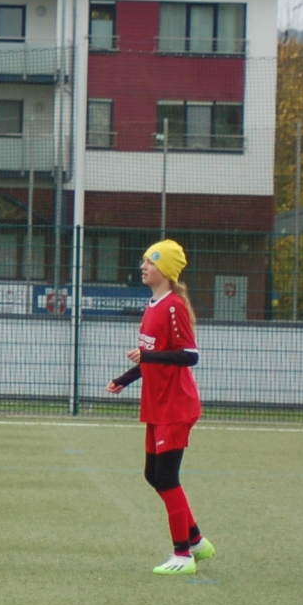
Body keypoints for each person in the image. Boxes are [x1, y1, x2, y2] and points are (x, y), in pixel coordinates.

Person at [106, 239, 213, 575]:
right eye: (144, 261)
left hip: (176, 404)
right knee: (153, 474)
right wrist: (125, 379)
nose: (143, 267)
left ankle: (183, 555)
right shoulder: (152, 304)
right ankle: (197, 541)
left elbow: (190, 355)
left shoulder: (173, 306)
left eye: (150, 262)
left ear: (165, 270)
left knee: (166, 477)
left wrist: (147, 356)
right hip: (157, 403)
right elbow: (150, 356)